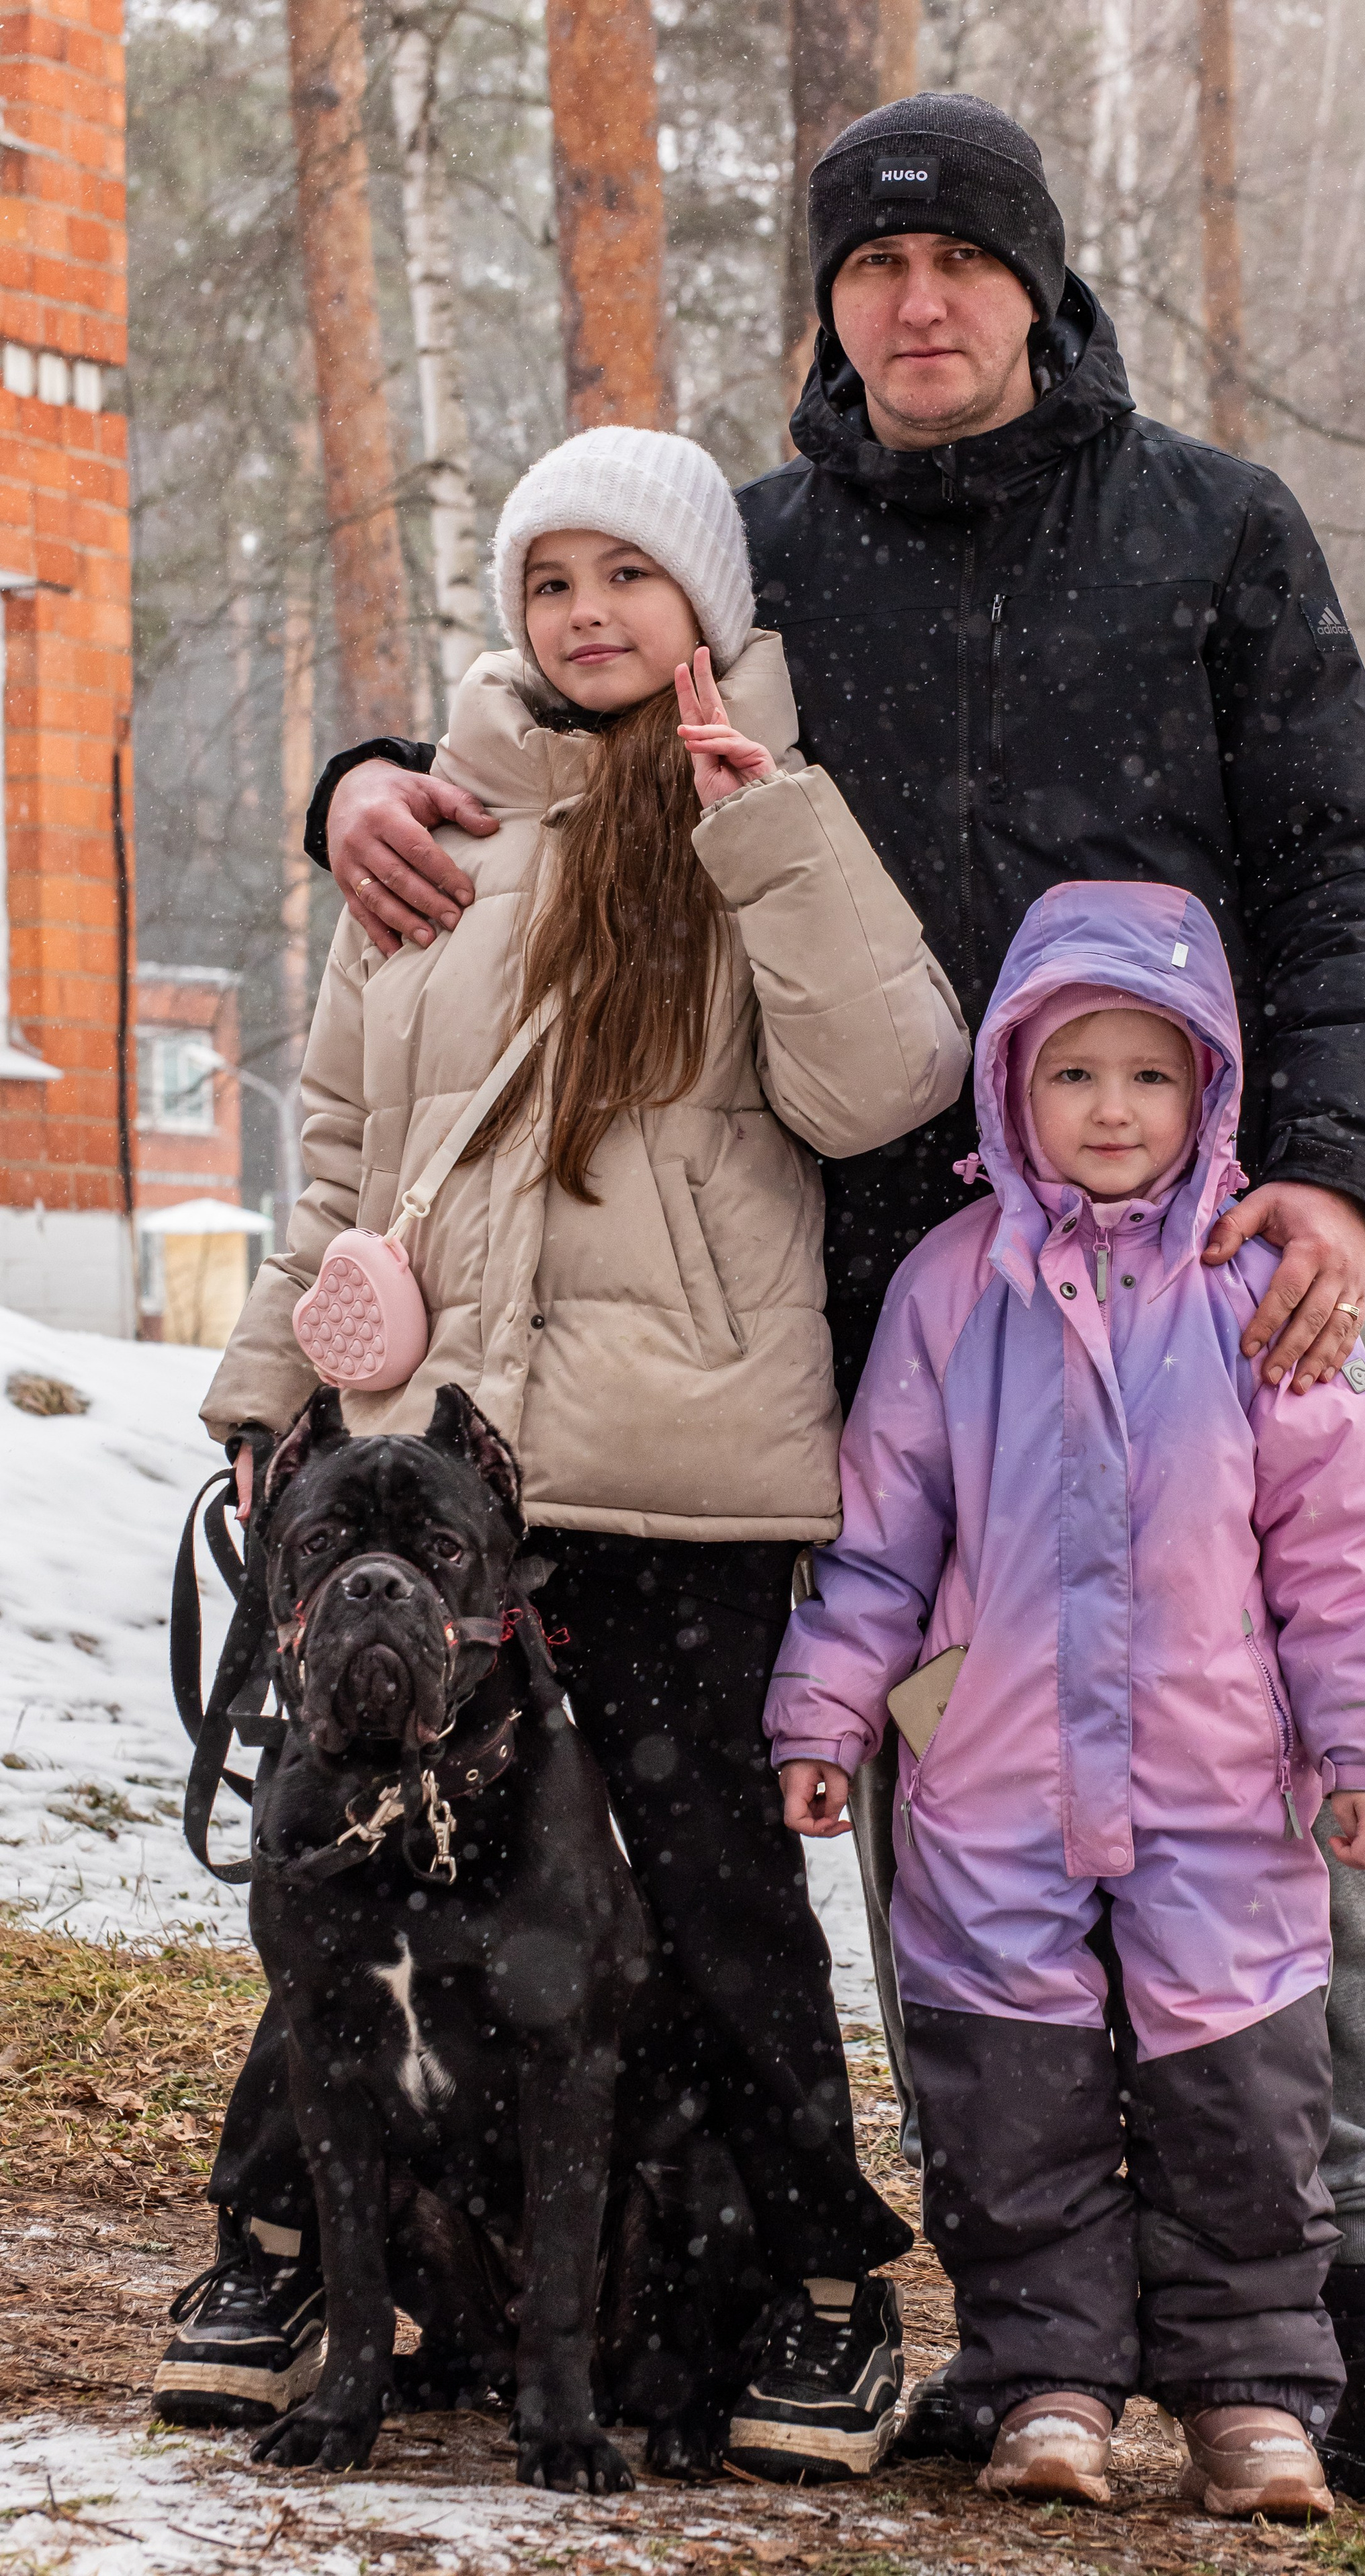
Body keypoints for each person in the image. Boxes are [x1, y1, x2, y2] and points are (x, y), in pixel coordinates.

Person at [292, 95, 1365, 2528]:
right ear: (828, 308)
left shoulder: (1212, 531)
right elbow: (545, 714)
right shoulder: (758, 557)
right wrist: (368, 766)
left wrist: (1321, 1175)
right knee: (936, 1825)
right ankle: (1040, 2323)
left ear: (1039, 278)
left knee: (1284, 1780)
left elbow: (1348, 868)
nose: (918, 305)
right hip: (877, 1298)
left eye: (962, 263)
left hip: (1196, 1275)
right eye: (872, 270)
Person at [153, 425, 972, 2486]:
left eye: (630, 574)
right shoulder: (423, 837)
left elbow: (892, 1085)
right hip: (435, 1471)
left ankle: (808, 2276)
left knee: (705, 1888)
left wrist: (764, 833)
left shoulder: (768, 814)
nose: (588, 613)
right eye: (549, 582)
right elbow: (341, 1156)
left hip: (675, 1466)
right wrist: (267, 1394)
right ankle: (285, 2249)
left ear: (706, 603)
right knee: (357, 1851)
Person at [764, 878, 1365, 2516]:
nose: (1110, 1109)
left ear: (1207, 1089)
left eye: (1148, 1073)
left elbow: (1340, 1555)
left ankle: (1249, 2395)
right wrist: (824, 1711)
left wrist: (1361, 1737)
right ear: (1011, 1087)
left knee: (1241, 2099)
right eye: (1072, 1074)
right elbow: (879, 1538)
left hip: (1215, 1778)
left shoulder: (1256, 1292)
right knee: (1011, 2097)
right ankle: (1044, 2379)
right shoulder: (949, 1286)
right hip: (990, 1781)